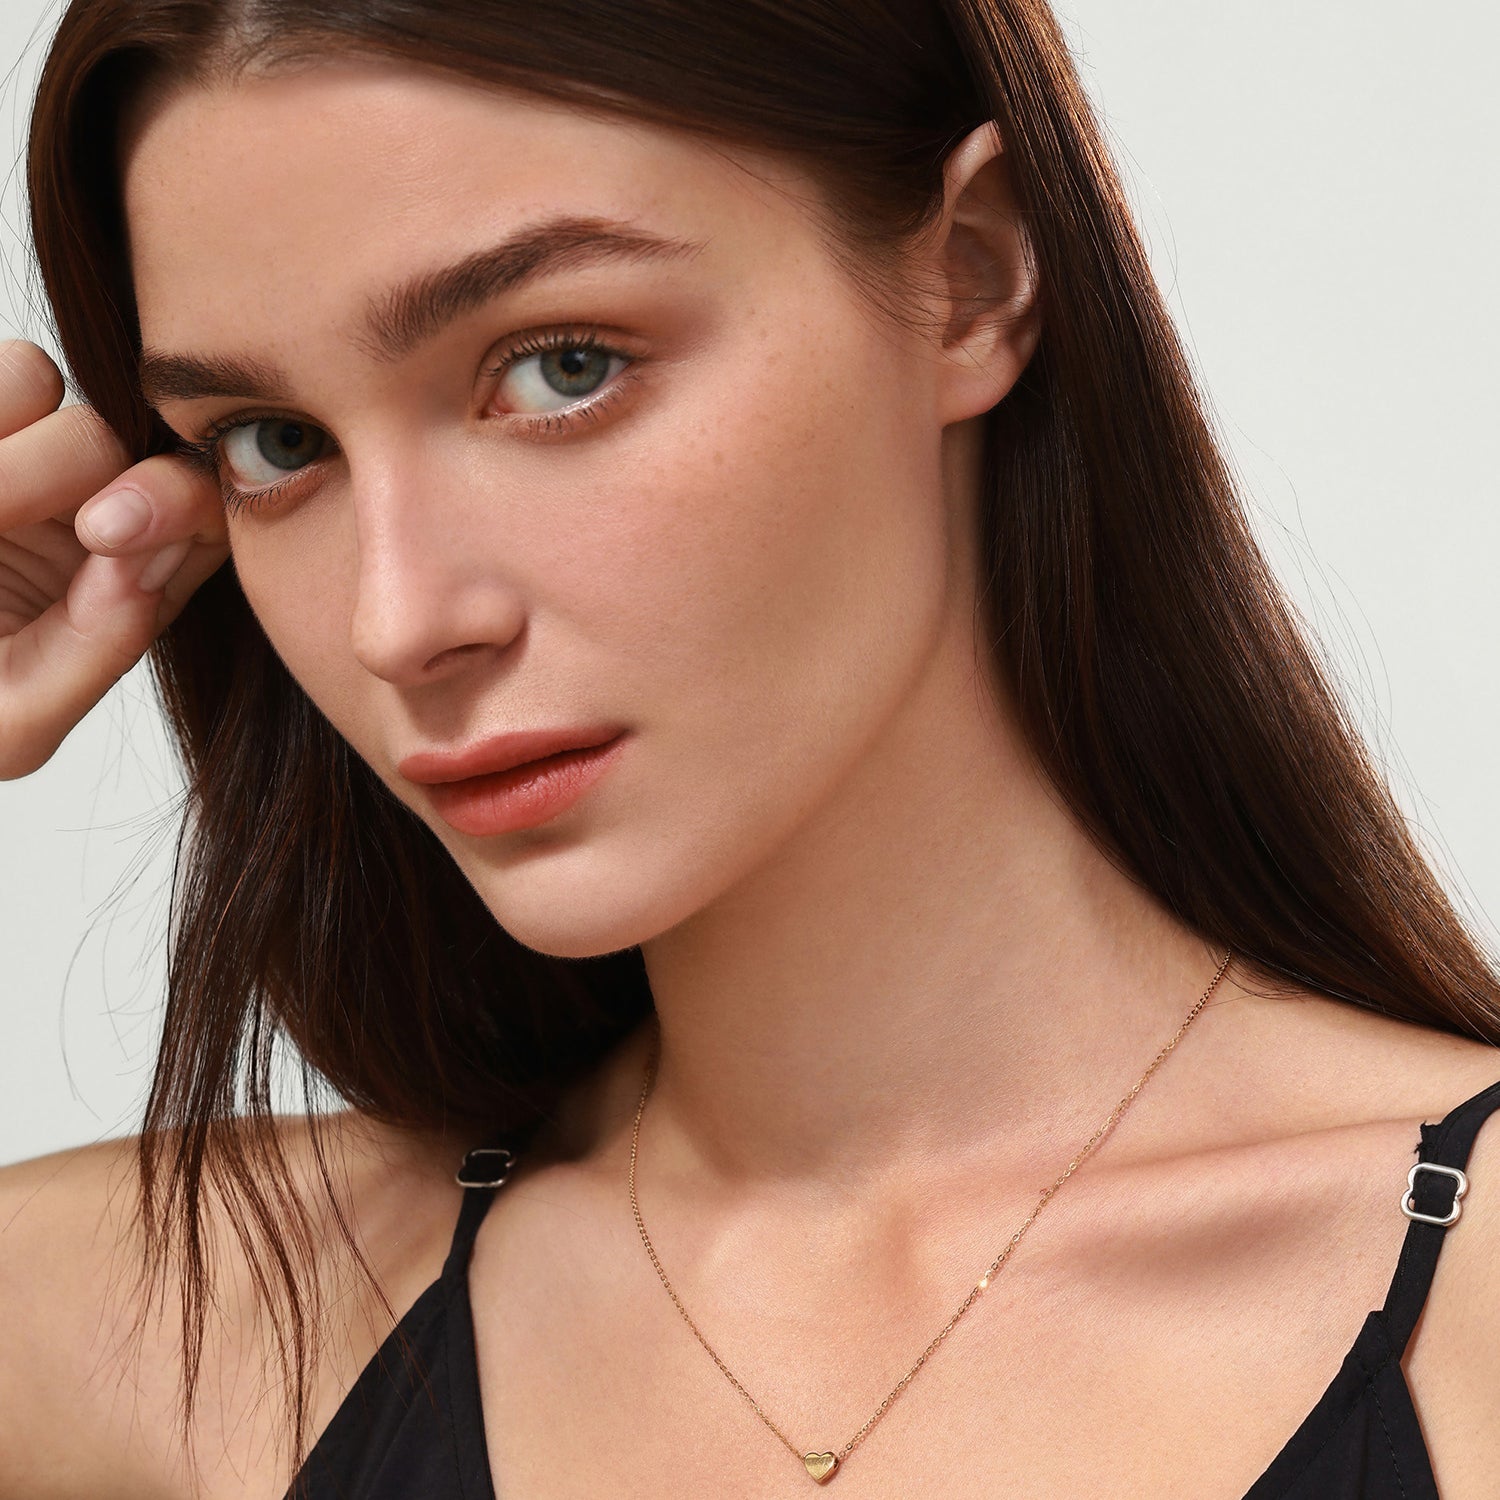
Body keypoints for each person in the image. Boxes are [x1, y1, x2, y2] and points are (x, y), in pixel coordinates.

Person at [1, 1, 1497, 1496]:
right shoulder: (203, 1324)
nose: (398, 622)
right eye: (274, 443)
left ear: (971, 278)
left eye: (563, 366)